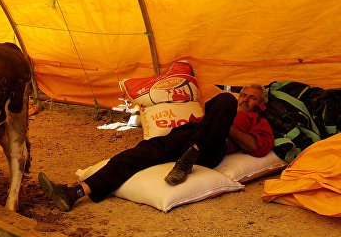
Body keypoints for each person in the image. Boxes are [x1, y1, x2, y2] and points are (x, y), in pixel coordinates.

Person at [38, 85, 274, 212]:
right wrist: (212, 120)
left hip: (213, 146)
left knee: (225, 101)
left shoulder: (258, 120)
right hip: (185, 135)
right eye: (243, 94)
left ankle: (192, 153)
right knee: (136, 155)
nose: (245, 99)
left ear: (260, 105)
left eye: (252, 98)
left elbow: (257, 147)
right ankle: (75, 193)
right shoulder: (224, 107)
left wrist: (223, 125)